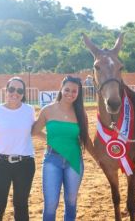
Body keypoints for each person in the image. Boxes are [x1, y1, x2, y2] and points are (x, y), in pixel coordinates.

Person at [32, 75, 90, 221]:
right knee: (51, 204)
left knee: (71, 202)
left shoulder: (81, 113)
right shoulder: (48, 110)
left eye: (74, 91)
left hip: (74, 161)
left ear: (79, 93)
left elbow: (86, 139)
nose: (70, 93)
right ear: (61, 89)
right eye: (67, 89)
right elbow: (34, 131)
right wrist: (52, 140)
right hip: (52, 160)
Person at [0, 76, 36, 221]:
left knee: (21, 205)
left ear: (23, 93)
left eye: (19, 90)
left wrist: (57, 140)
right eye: (11, 89)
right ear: (6, 90)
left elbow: (35, 132)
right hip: (0, 165)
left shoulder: (29, 110)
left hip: (25, 164)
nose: (15, 93)